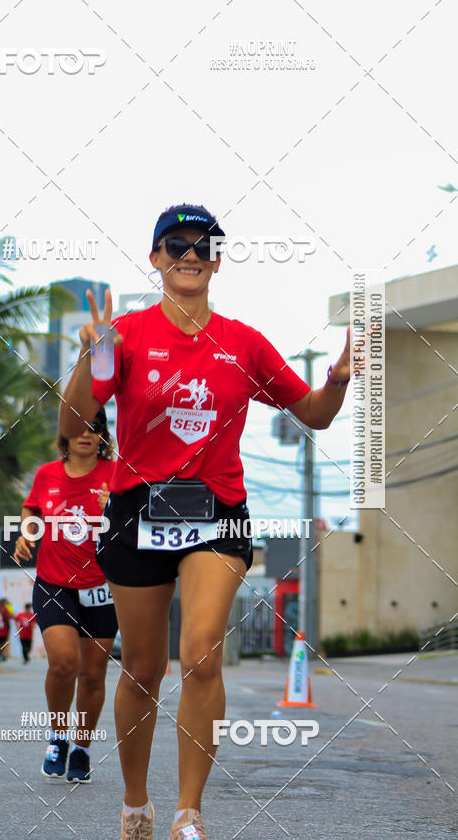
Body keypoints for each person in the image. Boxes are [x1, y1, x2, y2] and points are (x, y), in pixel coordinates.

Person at [59, 204, 353, 840]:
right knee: (141, 667)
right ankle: (136, 803)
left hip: (217, 512)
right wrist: (94, 355)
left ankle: (189, 811)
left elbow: (316, 414)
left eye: (203, 246)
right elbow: (73, 426)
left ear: (218, 259)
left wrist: (338, 378)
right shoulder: (128, 336)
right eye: (177, 245)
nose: (190, 254)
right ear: (156, 256)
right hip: (138, 509)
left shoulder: (244, 342)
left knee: (200, 656)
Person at [14, 408, 117, 783]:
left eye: (95, 427)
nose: (86, 434)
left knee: (92, 675)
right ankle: (58, 738)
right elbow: (32, 508)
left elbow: (138, 522)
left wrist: (116, 507)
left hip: (103, 587)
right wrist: (27, 533)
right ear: (65, 433)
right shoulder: (47, 475)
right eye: (78, 427)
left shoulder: (115, 475)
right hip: (55, 584)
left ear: (103, 435)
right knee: (62, 662)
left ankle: (83, 749)